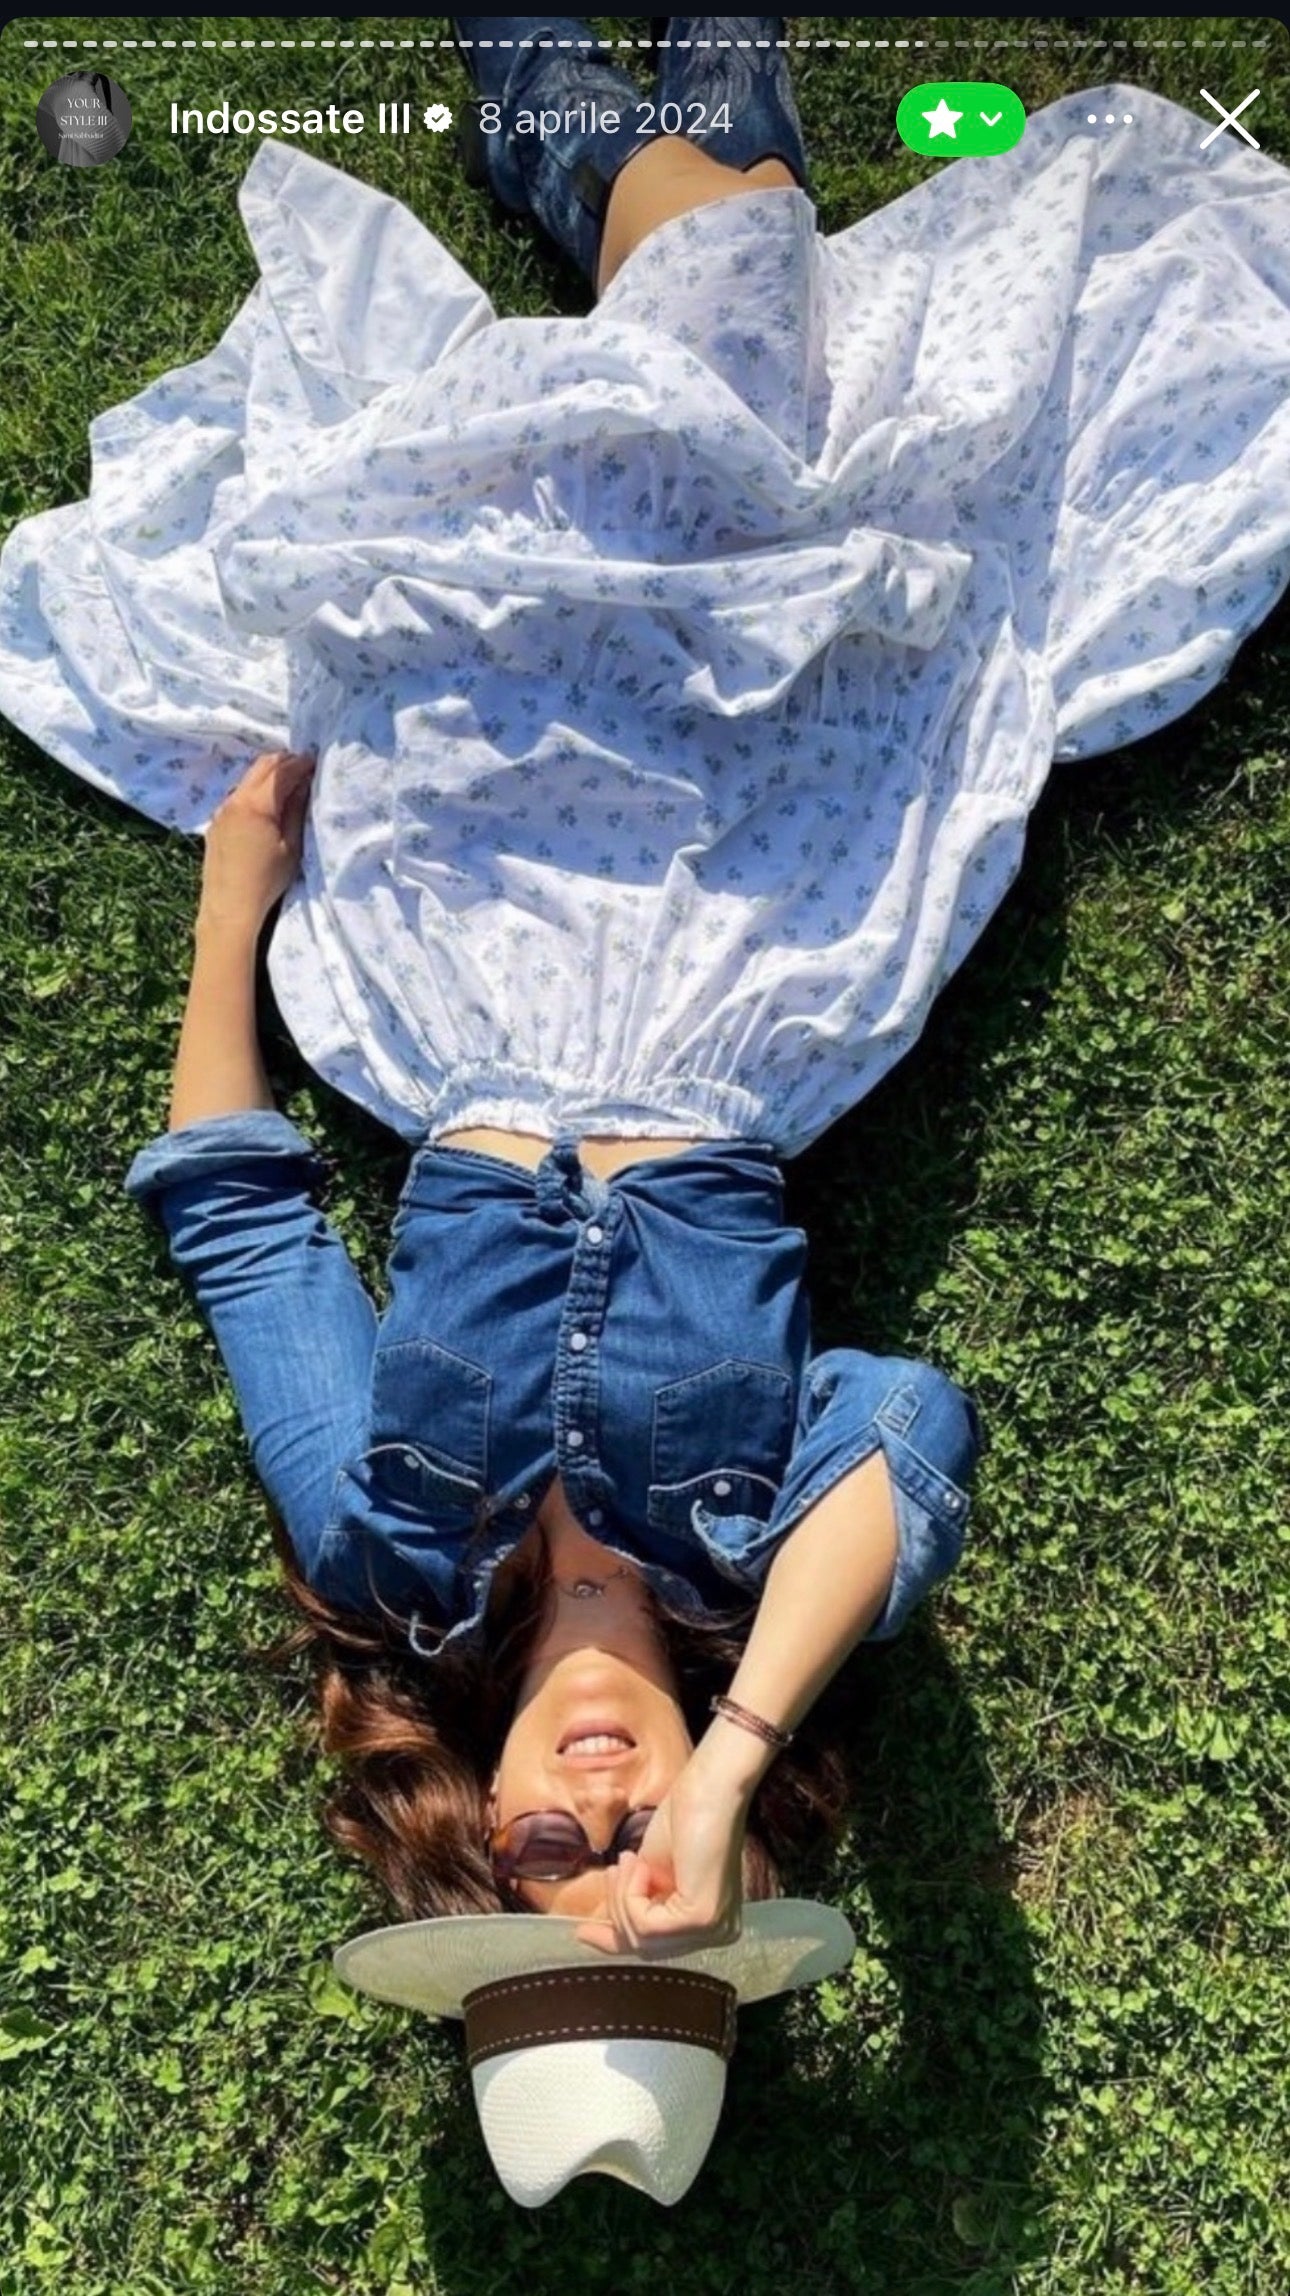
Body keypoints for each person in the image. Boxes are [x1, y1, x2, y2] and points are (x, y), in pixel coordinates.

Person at [4, 15, 1290, 2207]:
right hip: (763, 945)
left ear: (462, 1839)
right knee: (756, 336)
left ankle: (601, 113)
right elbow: (912, 1423)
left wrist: (234, 902)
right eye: (650, 1856)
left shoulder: (388, 1555)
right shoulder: (760, 1567)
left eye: (545, 1859)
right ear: (723, 1848)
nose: (600, 1803)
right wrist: (738, 1749)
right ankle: (622, 126)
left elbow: (240, 1216)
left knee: (701, 347)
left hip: (461, 932)